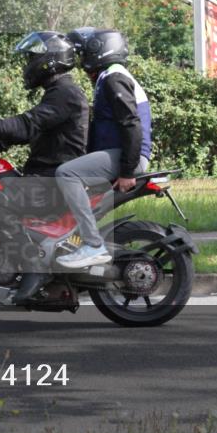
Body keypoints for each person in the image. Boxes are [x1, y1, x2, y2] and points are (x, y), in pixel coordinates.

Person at [0, 31, 89, 301]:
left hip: (53, 182)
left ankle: (34, 265)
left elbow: (27, 124)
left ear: (49, 59)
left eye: (32, 58)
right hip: (46, 176)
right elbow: (30, 133)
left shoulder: (65, 93)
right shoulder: (57, 93)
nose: (27, 64)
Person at [54, 27, 152, 269]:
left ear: (98, 50)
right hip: (120, 155)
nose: (80, 60)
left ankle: (92, 245)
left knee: (66, 174)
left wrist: (128, 170)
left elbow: (131, 124)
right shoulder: (110, 76)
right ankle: (75, 244)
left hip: (128, 157)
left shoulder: (113, 78)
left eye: (83, 53)